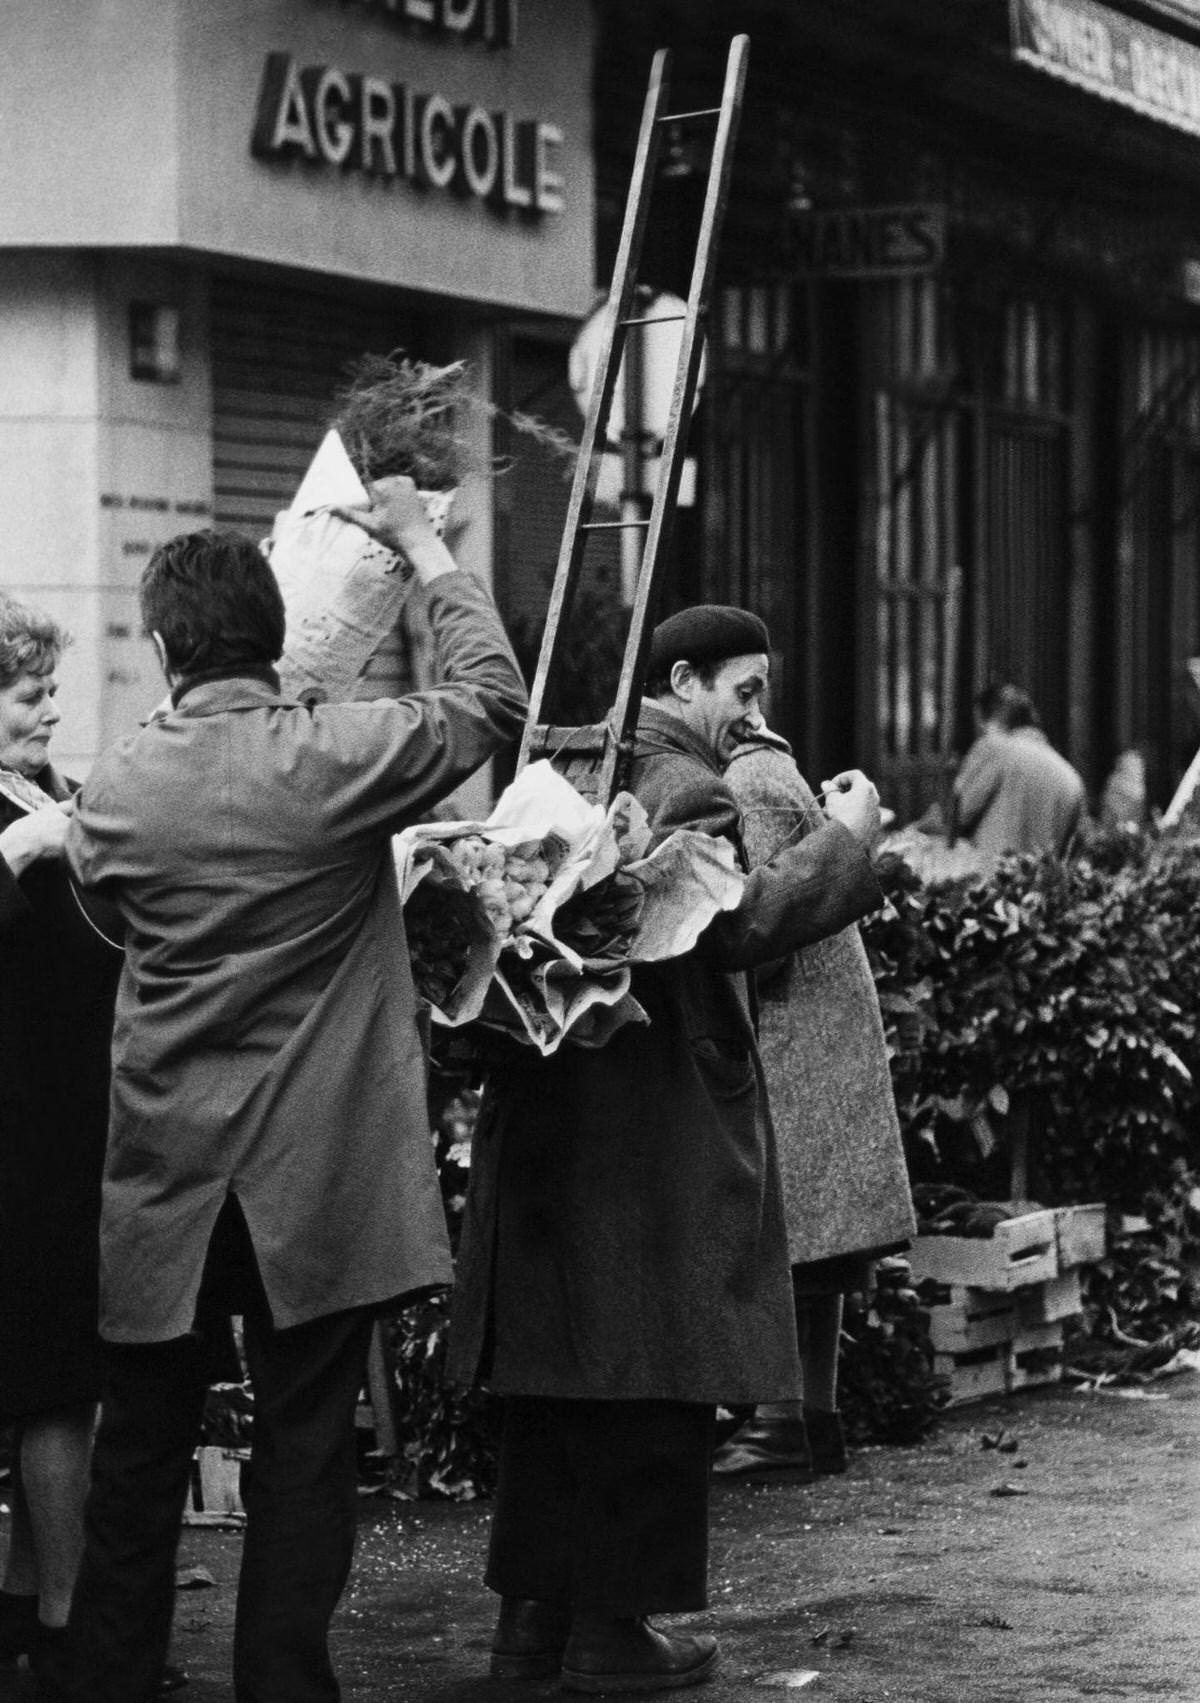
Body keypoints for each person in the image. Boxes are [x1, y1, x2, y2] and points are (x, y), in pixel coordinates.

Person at [48, 479, 528, 1703]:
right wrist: (424, 544)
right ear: (276, 637)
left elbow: (103, 898)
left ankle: (107, 1674)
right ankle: (281, 1682)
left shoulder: (120, 786)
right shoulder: (335, 756)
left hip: (170, 1186)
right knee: (307, 1451)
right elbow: (488, 702)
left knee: (141, 1452)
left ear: (161, 649)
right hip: (316, 1181)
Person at [450, 604, 885, 1694]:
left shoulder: (565, 752)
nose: (758, 716)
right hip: (655, 1138)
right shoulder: (687, 780)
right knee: (657, 1386)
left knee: (557, 1392)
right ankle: (612, 1633)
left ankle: (529, 1630)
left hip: (557, 1134)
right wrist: (851, 841)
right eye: (744, 691)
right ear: (683, 678)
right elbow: (738, 921)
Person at [712, 719, 916, 1481]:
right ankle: (815, 1420)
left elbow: (768, 922)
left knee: (785, 1230)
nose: (753, 704)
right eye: (746, 685)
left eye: (756, 685)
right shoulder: (772, 764)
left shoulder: (748, 776)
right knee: (814, 1238)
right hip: (820, 1028)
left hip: (795, 1027)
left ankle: (779, 1422)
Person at [0, 597, 119, 1683]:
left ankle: (29, 1600)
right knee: (50, 1375)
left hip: (71, 1123)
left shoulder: (53, 794)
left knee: (59, 1373)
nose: (48, 707)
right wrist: (16, 845)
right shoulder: (18, 817)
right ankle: (70, 1625)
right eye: (27, 693)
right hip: (22, 1136)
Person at [950, 682, 1085, 867]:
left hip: (988, 884)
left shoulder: (995, 747)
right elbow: (1075, 848)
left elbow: (958, 814)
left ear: (989, 721)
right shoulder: (1070, 775)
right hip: (1040, 889)